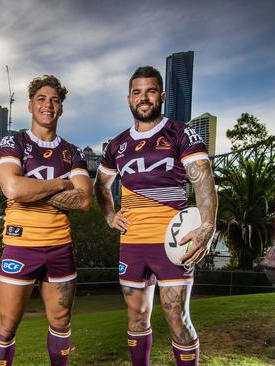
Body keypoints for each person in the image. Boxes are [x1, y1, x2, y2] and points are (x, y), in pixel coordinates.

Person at [94, 66, 217, 366]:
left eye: (150, 91)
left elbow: (203, 179)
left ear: (161, 96)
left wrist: (207, 227)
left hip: (173, 242)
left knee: (177, 317)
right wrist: (110, 215)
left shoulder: (180, 132)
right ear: (129, 99)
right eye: (137, 92)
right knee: (136, 317)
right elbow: (100, 184)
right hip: (132, 242)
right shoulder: (117, 144)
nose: (143, 98)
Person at [0, 74, 93, 366]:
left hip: (60, 246)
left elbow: (84, 200)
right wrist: (62, 184)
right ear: (30, 105)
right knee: (7, 323)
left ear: (61, 108)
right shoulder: (14, 141)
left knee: (61, 321)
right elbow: (12, 188)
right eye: (41, 98)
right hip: (20, 244)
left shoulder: (72, 152)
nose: (48, 105)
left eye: (55, 100)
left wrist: (30, 188)